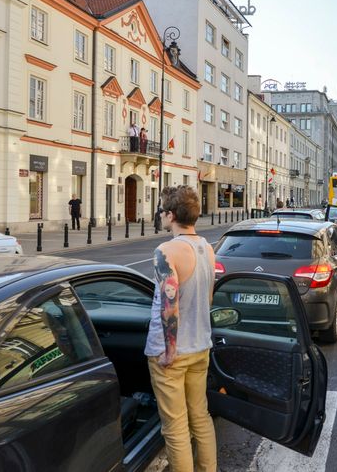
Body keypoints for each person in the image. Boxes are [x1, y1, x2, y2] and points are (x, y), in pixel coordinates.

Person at [145, 186, 217, 472]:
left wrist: (169, 350)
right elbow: (208, 298)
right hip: (200, 347)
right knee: (200, 417)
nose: (161, 216)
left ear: (171, 215)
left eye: (162, 211)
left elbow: (170, 306)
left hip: (171, 354)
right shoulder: (207, 248)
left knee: (175, 427)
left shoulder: (166, 251)